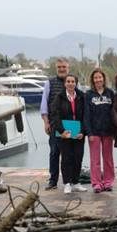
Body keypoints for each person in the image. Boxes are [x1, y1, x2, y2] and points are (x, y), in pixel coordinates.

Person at [49, 74, 87, 194]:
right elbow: (55, 115)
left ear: (76, 83)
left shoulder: (82, 96)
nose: (70, 83)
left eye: (73, 81)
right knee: (66, 158)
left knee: (78, 157)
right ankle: (67, 183)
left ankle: (76, 182)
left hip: (78, 132)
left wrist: (83, 131)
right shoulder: (59, 97)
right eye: (68, 81)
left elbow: (86, 115)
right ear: (65, 83)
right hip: (64, 134)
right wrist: (61, 131)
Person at [84, 68, 115, 193]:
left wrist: (114, 131)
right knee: (95, 159)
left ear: (103, 79)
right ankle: (96, 183)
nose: (98, 80)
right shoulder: (89, 95)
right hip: (94, 132)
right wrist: (89, 132)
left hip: (108, 132)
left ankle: (108, 182)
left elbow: (114, 113)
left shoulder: (110, 93)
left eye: (100, 77)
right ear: (93, 80)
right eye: (95, 78)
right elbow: (86, 115)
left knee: (108, 158)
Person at [40, 58, 69, 190]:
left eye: (64, 67)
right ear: (56, 68)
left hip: (70, 125)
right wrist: (46, 122)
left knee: (68, 154)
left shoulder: (72, 82)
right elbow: (44, 104)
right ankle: (53, 181)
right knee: (54, 153)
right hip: (53, 124)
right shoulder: (49, 83)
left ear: (68, 68)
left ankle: (69, 181)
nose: (62, 69)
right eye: (59, 67)